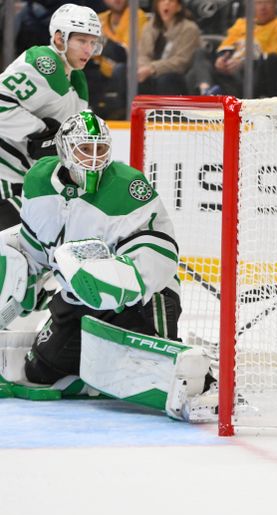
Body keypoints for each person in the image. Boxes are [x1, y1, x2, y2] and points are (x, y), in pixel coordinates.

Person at [0, 111, 210, 420]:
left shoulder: (127, 186)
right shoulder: (38, 181)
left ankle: (206, 383)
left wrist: (121, 280)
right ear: (64, 151)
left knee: (150, 367)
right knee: (41, 369)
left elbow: (160, 251)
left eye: (101, 149)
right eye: (85, 149)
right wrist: (25, 281)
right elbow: (35, 246)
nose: (95, 158)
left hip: (140, 298)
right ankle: (94, 377)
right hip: (77, 296)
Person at [0, 4, 101, 231]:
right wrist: (39, 131)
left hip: (27, 184)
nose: (88, 49)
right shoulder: (44, 62)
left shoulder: (77, 82)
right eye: (82, 41)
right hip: (4, 181)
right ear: (59, 38)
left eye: (93, 42)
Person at [194, 0, 277, 97]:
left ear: (275, 5)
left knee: (262, 62)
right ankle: (206, 91)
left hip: (252, 75)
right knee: (200, 53)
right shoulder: (241, 23)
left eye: (267, 2)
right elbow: (226, 44)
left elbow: (273, 56)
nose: (263, 7)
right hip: (229, 70)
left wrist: (244, 63)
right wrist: (221, 60)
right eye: (259, 3)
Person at [87, 0, 148, 119]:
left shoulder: (137, 15)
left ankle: (120, 114)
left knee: (120, 67)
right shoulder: (99, 19)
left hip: (128, 72)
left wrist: (102, 42)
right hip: (102, 73)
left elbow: (127, 53)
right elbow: (91, 51)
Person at [138, 0, 201, 96]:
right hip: (149, 74)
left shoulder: (189, 29)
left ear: (179, 7)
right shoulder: (149, 27)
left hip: (177, 76)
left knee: (165, 79)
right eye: (162, 1)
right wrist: (143, 68)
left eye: (171, 1)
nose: (166, 3)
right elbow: (142, 54)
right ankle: (124, 110)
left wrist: (152, 68)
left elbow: (181, 62)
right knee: (125, 72)